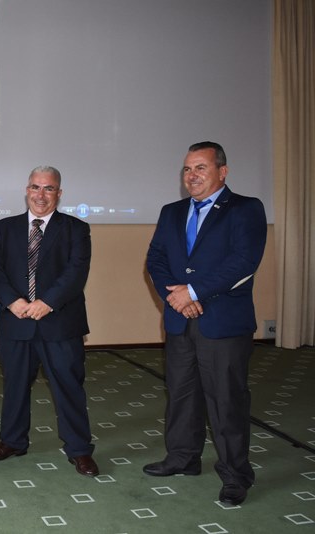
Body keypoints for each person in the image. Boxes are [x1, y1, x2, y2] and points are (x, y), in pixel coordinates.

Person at [144, 141, 267, 506]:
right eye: (187, 169)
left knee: (227, 400)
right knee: (181, 393)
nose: (192, 175)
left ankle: (235, 475)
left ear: (222, 172)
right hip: (179, 319)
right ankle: (183, 458)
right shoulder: (171, 211)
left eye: (201, 167)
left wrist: (194, 292)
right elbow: (156, 259)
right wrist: (175, 297)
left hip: (223, 322)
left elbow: (244, 261)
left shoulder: (246, 208)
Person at [0, 166, 99, 477]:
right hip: (15, 321)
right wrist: (13, 302)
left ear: (59, 194)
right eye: (36, 187)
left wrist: (46, 303)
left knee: (69, 387)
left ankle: (79, 449)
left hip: (60, 323)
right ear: (27, 190)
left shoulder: (76, 229)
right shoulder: (3, 228)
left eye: (49, 188)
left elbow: (76, 272)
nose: (41, 194)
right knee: (15, 385)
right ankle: (12, 441)